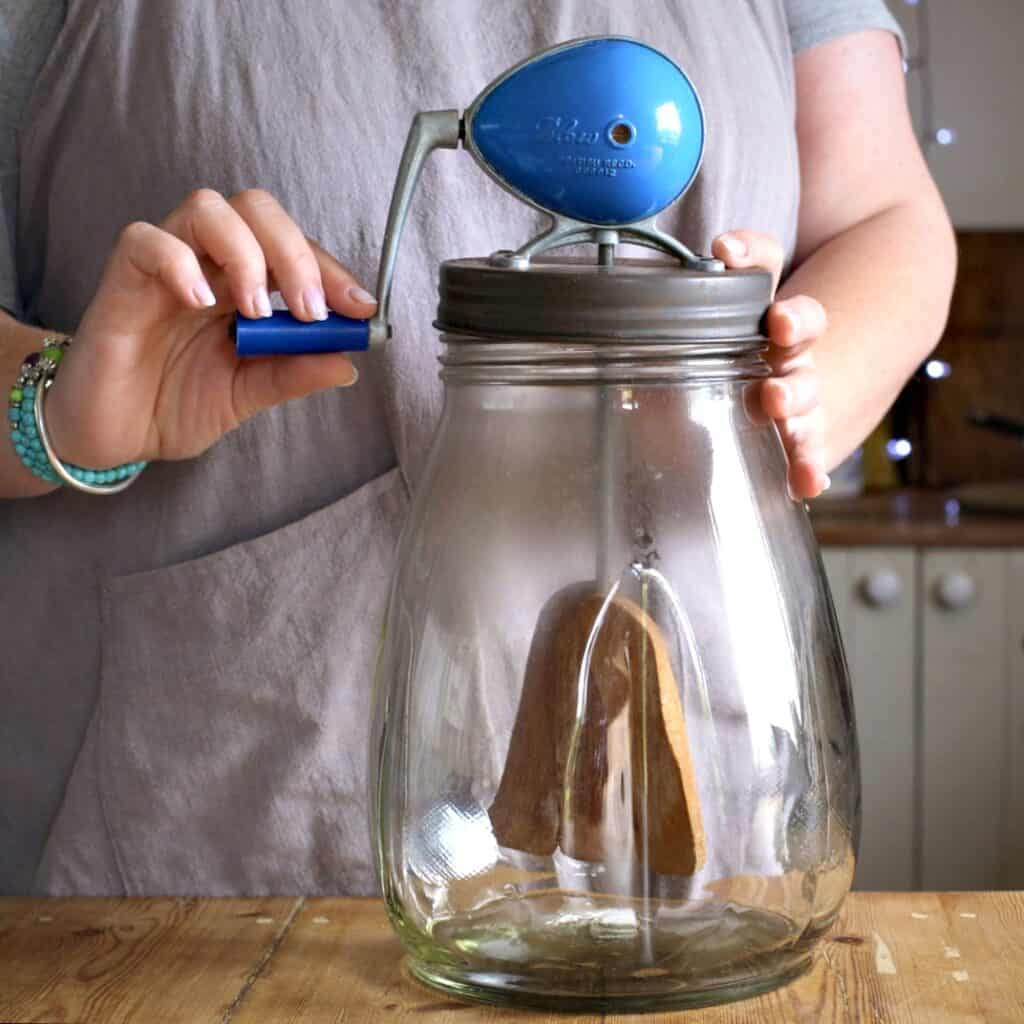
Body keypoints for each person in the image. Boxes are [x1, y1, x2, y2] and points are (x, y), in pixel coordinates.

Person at [0, 1, 955, 896]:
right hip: (230, 848)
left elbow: (886, 219)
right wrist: (54, 409)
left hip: (711, 801)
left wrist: (801, 379)